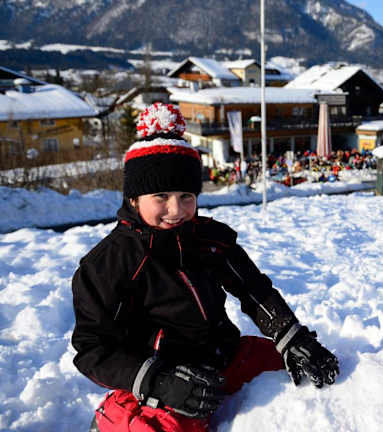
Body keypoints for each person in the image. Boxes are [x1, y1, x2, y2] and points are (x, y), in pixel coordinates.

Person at [72, 104, 339, 432]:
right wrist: (157, 380)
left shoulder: (209, 238)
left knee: (293, 368)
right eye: (161, 196)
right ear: (133, 199)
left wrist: (290, 336)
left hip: (224, 356)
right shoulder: (108, 263)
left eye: (186, 196)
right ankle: (115, 417)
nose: (176, 210)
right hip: (163, 377)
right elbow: (92, 348)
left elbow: (252, 289)